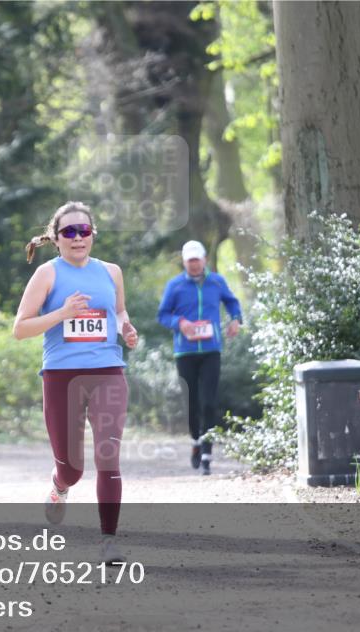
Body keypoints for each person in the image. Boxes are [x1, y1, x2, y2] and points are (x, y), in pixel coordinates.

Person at [13, 201, 139, 565]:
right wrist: (62, 313)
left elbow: (118, 313)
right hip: (62, 377)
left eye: (84, 231)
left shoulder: (111, 272)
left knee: (108, 455)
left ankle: (108, 540)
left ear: (93, 235)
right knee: (73, 468)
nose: (78, 237)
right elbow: (20, 328)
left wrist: (126, 330)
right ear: (56, 238)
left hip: (107, 372)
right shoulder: (47, 275)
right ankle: (59, 485)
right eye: (69, 232)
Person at [156, 240, 242, 475]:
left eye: (197, 260)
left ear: (204, 260)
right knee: (192, 402)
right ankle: (195, 441)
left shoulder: (217, 281)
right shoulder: (175, 286)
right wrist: (180, 323)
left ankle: (207, 453)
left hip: (211, 349)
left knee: (209, 402)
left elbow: (232, 302)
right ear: (185, 262)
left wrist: (236, 319)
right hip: (185, 351)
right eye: (190, 261)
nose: (194, 265)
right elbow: (162, 314)